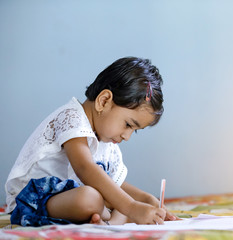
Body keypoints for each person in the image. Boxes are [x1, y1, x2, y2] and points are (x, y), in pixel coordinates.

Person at [5, 57, 178, 226]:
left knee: (116, 200)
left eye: (135, 131)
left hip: (69, 199)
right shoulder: (71, 118)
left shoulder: (107, 141)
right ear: (104, 101)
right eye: (128, 125)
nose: (127, 136)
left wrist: (147, 199)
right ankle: (106, 215)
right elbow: (85, 168)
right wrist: (132, 207)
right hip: (33, 201)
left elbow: (114, 184)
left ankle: (105, 222)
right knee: (92, 198)